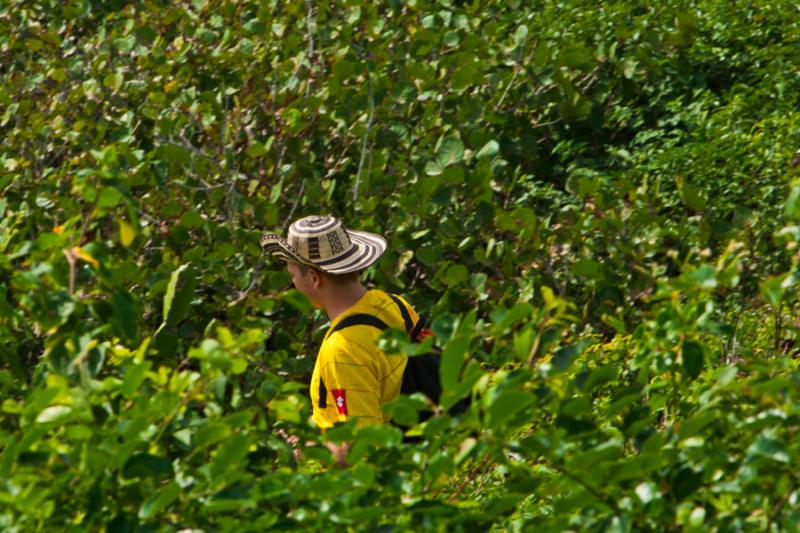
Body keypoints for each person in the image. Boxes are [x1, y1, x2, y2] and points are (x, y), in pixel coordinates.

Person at [260, 215, 420, 432]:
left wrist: (308, 448)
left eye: (293, 276)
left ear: (315, 278)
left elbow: (362, 447)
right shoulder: (395, 304)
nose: (293, 284)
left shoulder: (342, 350)